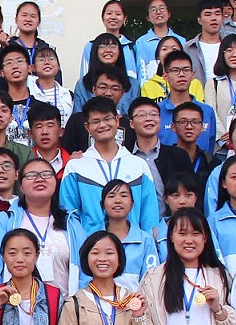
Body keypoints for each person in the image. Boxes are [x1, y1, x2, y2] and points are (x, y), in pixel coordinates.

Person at [58, 96, 162, 237]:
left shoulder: (138, 165)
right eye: (96, 121)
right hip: (92, 246)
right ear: (87, 127)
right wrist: (82, 245)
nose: (102, 125)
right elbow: (69, 215)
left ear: (117, 121)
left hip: (134, 245)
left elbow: (149, 215)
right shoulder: (76, 167)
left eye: (107, 119)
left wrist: (146, 245)